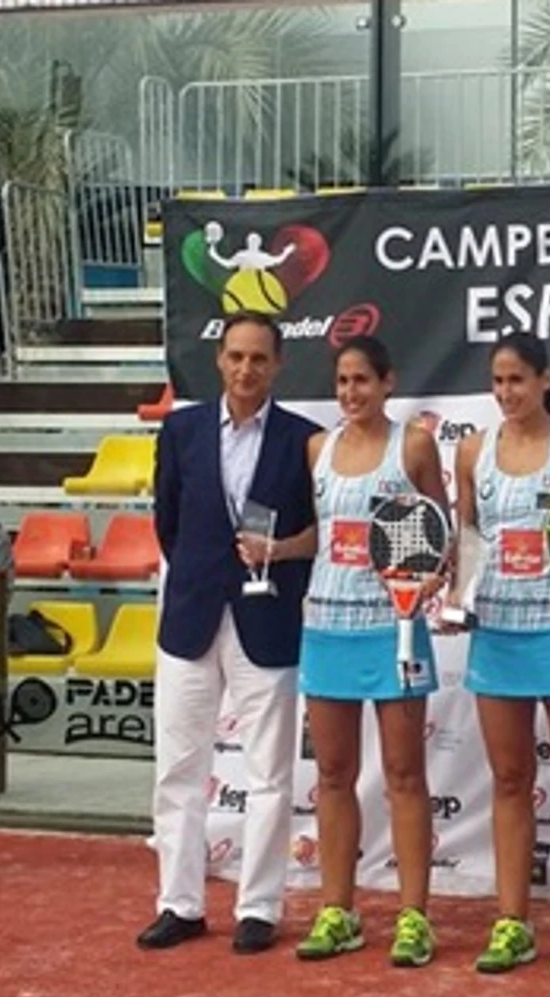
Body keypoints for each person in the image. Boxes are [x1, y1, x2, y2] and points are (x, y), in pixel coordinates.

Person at [141, 311, 320, 954]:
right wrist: (202, 573)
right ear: (220, 359)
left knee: (270, 772)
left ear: (278, 365)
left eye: (259, 359)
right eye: (237, 357)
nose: (247, 369)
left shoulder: (304, 439)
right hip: (190, 618)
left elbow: (316, 533)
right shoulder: (182, 428)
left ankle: (260, 906)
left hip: (266, 621)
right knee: (178, 768)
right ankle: (179, 902)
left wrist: (273, 553)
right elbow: (169, 521)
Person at [450, 332, 550, 979]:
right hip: (497, 634)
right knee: (510, 779)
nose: (508, 392)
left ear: (546, 379)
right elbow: (466, 536)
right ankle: (512, 922)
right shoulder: (470, 451)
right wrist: (456, 597)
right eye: (498, 381)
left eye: (518, 379)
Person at [295, 335, 450, 968]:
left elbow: (443, 525)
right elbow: (321, 534)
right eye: (342, 382)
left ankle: (415, 916)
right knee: (332, 777)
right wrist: (274, 550)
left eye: (362, 380)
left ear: (388, 383)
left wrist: (438, 576)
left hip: (397, 630)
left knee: (405, 776)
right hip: (326, 626)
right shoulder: (317, 449)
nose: (351, 392)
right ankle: (339, 910)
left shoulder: (411, 444)